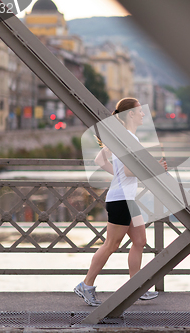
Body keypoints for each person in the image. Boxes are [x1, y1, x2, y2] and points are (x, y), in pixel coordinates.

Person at [74, 98, 167, 306]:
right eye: (140, 111)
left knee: (140, 241)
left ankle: (136, 288)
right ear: (130, 114)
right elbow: (127, 170)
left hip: (128, 198)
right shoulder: (128, 139)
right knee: (111, 245)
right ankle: (86, 285)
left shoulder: (124, 137)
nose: (144, 114)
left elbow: (101, 161)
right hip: (121, 200)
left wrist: (119, 176)